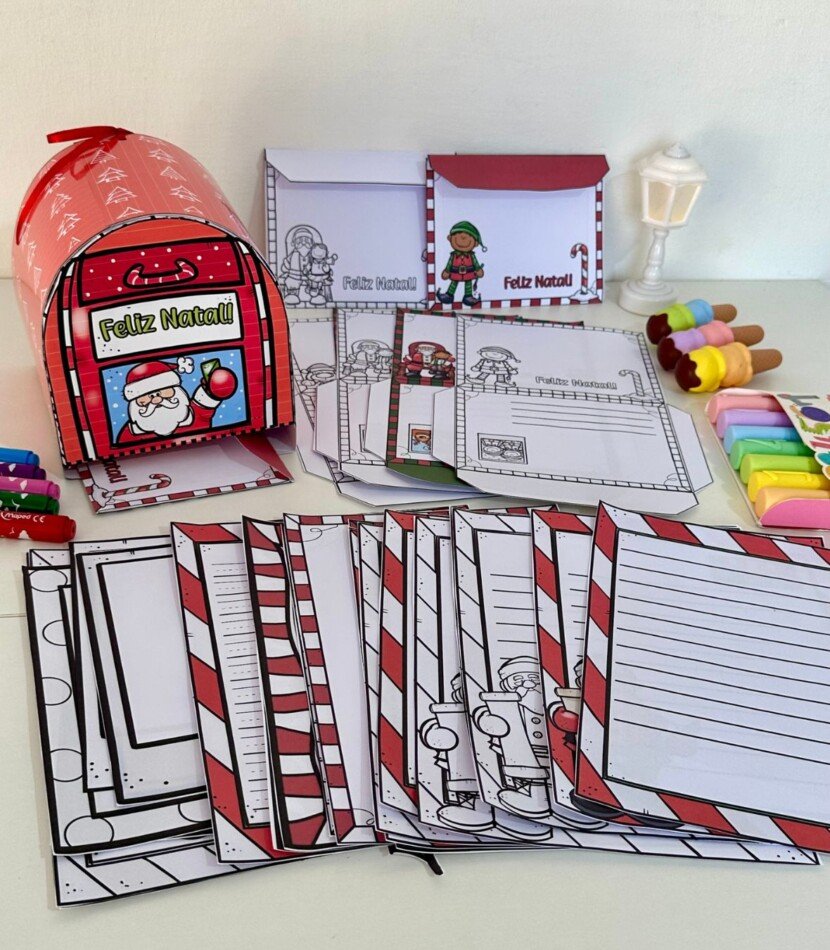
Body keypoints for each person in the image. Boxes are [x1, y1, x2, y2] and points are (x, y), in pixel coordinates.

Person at [116, 358, 237, 444]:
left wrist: (212, 389)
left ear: (177, 391)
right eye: (145, 398)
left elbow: (205, 403)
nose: (157, 400)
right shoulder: (131, 432)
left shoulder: (193, 414)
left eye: (164, 392)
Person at [436, 221, 486, 307]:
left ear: (476, 243)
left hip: (469, 272)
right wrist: (447, 271)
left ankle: (468, 297)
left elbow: (475, 263)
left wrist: (478, 270)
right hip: (455, 272)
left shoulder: (472, 256)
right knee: (454, 282)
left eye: (469, 236)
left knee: (468, 283)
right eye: (457, 234)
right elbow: (449, 263)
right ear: (449, 238)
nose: (463, 238)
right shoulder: (453, 255)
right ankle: (449, 295)